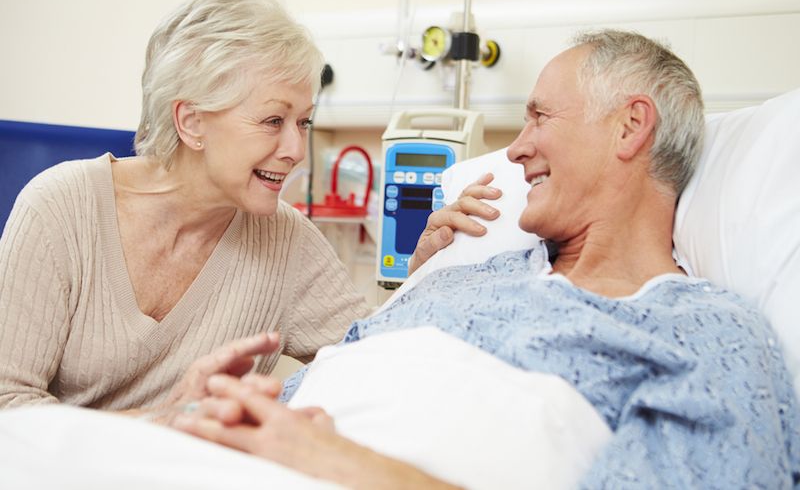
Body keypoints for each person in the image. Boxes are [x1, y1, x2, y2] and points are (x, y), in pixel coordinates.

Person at [174, 29, 800, 488]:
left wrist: (344, 466)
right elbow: (303, 409)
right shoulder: (456, 278)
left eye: (539, 117)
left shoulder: (710, 335)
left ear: (631, 126)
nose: (518, 149)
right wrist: (215, 411)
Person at [0, 0, 486, 419]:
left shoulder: (286, 239)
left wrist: (423, 276)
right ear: (191, 122)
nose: (296, 150)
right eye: (274, 121)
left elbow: (378, 360)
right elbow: (8, 407)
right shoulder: (59, 210)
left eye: (304, 123)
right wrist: (167, 423)